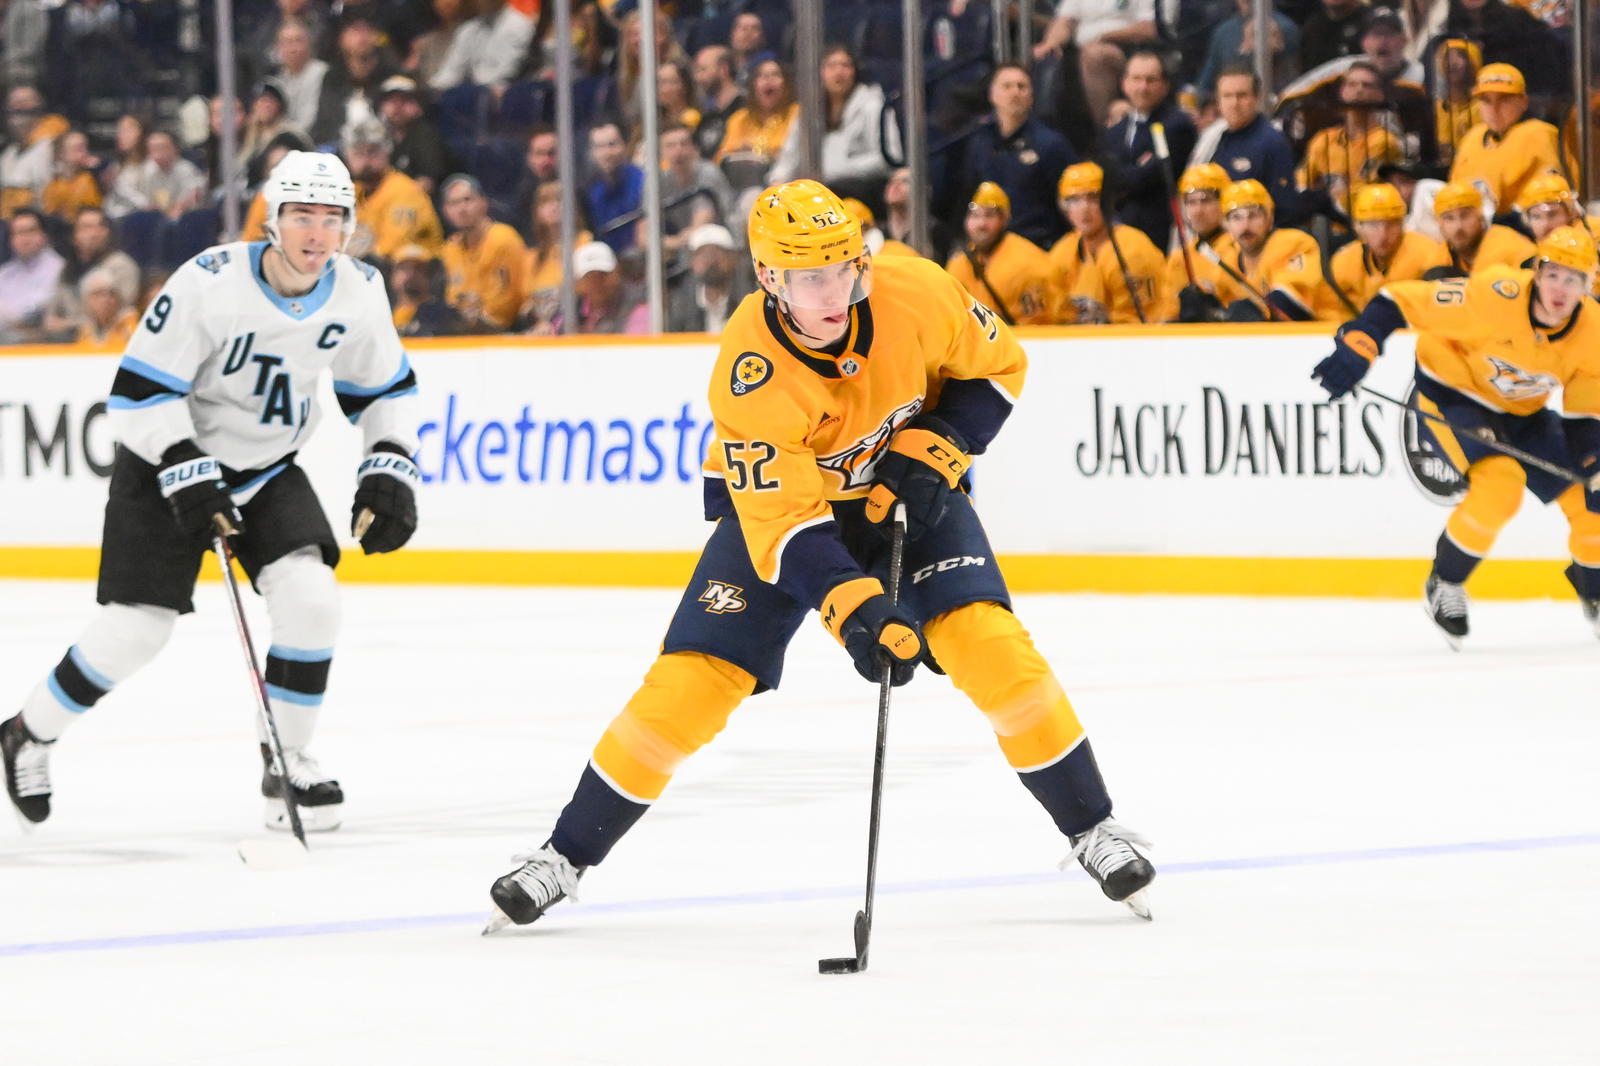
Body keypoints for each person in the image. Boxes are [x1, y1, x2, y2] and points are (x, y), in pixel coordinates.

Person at [482, 178, 1156, 930]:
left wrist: (942, 444)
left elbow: (1001, 368)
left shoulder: (916, 291)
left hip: (905, 496)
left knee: (991, 648)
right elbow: (791, 527)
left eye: (845, 268)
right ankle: (563, 856)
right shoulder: (750, 372)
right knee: (688, 688)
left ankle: (1094, 826)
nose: (835, 291)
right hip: (787, 519)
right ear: (769, 278)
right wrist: (860, 615)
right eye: (810, 277)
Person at [1, 151, 421, 831]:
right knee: (135, 633)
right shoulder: (208, 282)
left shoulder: (358, 289)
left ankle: (289, 760)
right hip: (165, 467)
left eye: (332, 218)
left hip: (264, 468)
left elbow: (384, 388)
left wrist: (389, 458)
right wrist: (184, 464)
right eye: (302, 216)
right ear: (272, 219)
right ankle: (29, 731)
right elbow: (137, 396)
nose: (317, 233)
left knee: (312, 600)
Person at [1311, 226, 1600, 645]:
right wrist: (1361, 343)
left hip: (1523, 412)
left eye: (1574, 280)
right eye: (1553, 274)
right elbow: (1399, 299)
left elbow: (1585, 420)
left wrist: (1594, 465)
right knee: (1501, 487)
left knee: (1591, 509)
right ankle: (1445, 582)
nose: (1560, 289)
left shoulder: (1593, 334)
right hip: (1453, 394)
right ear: (1537, 272)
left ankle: (1595, 593)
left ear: (1589, 286)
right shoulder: (1493, 296)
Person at [952, 64, 1077, 250]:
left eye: (1021, 86)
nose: (1015, 92)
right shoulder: (978, 142)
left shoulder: (1051, 144)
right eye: (1007, 86)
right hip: (987, 248)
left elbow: (1069, 202)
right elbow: (967, 196)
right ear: (992, 95)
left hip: (1039, 248)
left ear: (1031, 97)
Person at [767, 45, 902, 206]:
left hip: (861, 189)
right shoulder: (810, 110)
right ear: (821, 73)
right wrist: (777, 182)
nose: (839, 72)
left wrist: (840, 169)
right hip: (817, 188)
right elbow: (791, 154)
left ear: (854, 72)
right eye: (831, 66)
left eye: (845, 65)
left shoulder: (873, 104)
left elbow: (890, 157)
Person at [1047, 162, 1166, 324]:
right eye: (1074, 200)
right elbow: (1055, 315)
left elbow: (1141, 323)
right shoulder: (1063, 251)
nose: (1084, 209)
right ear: (1064, 207)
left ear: (1108, 202)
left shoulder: (1133, 250)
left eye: (1093, 198)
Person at [1448, 63, 1575, 214]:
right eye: (1486, 100)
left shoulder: (1538, 134)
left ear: (1523, 101)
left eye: (1504, 100)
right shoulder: (1472, 137)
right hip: (1468, 225)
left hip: (1522, 227)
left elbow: (1548, 206)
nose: (1494, 109)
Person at [1103, 48, 1196, 251]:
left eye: (1150, 80)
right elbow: (1106, 177)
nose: (1143, 87)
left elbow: (1145, 178)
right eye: (1136, 79)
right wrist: (1134, 169)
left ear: (1164, 85)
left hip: (1161, 232)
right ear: (1124, 83)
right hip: (1119, 233)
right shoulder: (1114, 131)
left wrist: (1122, 174)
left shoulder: (1177, 125)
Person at [1295, 62, 1405, 225]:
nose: (1359, 90)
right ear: (1342, 91)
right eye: (1352, 84)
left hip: (1370, 223)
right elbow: (1301, 186)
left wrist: (1327, 195)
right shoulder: (1324, 139)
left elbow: (1362, 195)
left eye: (1366, 85)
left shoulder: (1385, 142)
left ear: (1380, 94)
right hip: (1325, 227)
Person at [1212, 179, 1336, 320]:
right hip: (1267, 337)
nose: (1245, 225)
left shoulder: (1294, 243)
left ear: (1269, 219)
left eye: (1253, 215)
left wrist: (1253, 312)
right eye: (1236, 217)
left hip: (1321, 334)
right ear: (1226, 224)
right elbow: (1221, 303)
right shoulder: (1226, 255)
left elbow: (1289, 304)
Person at [1195, 66, 1300, 224]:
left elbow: (1283, 209)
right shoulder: (1213, 138)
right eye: (1227, 96)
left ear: (1256, 97)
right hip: (1216, 240)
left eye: (1242, 95)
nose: (1234, 103)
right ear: (1218, 101)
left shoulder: (1273, 142)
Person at [944, 182, 1056, 326]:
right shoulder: (958, 264)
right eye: (975, 215)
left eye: (989, 215)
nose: (981, 224)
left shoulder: (1030, 262)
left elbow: (1040, 327)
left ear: (1004, 219)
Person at [1327, 183, 1448, 312]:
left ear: (1402, 224)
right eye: (1373, 225)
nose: (1383, 234)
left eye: (1391, 224)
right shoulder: (1343, 261)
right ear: (1358, 228)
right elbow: (1332, 312)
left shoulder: (1429, 253)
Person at [343, 116, 445, 262]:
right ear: (348, 157)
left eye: (373, 151)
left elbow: (389, 249)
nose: (365, 160)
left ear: (387, 152)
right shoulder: (351, 192)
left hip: (416, 275)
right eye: (358, 153)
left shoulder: (405, 191)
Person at [440, 173, 527, 331]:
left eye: (467, 199)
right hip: (464, 333)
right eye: (453, 203)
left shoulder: (503, 238)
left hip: (506, 333)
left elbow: (513, 300)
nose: (461, 208)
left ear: (483, 202)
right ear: (446, 211)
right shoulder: (450, 249)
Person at [1161, 162, 1236, 322]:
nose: (1198, 210)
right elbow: (1168, 315)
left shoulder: (1240, 249)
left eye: (1206, 200)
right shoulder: (1180, 258)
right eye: (1191, 202)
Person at [1429, 181, 1534, 276]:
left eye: (1465, 216)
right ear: (1439, 223)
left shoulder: (1508, 244)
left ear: (1480, 217)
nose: (1458, 226)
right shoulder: (1442, 255)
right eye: (1449, 218)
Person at [0, 207, 64, 342]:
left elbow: (36, 312)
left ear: (44, 235)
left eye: (30, 231)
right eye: (18, 233)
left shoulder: (60, 269)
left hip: (43, 343)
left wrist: (9, 317)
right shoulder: (4, 274)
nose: (24, 238)